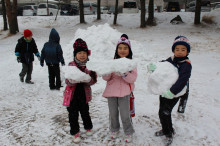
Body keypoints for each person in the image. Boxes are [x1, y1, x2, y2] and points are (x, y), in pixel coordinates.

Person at [148, 36, 192, 144]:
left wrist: (172, 92)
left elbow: (182, 80)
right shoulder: (172, 59)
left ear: (187, 51)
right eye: (177, 49)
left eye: (183, 49)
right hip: (165, 90)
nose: (180, 52)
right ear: (173, 50)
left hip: (174, 93)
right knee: (162, 111)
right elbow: (163, 65)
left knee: (165, 112)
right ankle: (166, 129)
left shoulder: (186, 65)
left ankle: (169, 133)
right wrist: (155, 66)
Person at [102, 34, 137, 143]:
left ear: (129, 50)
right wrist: (108, 71)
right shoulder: (112, 61)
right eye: (120, 48)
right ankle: (114, 129)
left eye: (125, 48)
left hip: (124, 93)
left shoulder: (131, 63)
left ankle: (128, 131)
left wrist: (124, 73)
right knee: (113, 113)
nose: (122, 50)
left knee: (125, 114)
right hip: (111, 92)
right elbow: (106, 78)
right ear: (117, 50)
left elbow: (133, 79)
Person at [65, 38, 97, 143]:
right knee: (73, 115)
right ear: (75, 54)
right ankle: (75, 132)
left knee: (85, 112)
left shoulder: (89, 67)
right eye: (79, 53)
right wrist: (75, 79)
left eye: (84, 53)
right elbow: (67, 81)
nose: (82, 55)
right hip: (72, 96)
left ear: (87, 55)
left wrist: (88, 78)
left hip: (83, 95)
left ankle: (88, 127)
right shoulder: (71, 65)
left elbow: (93, 81)